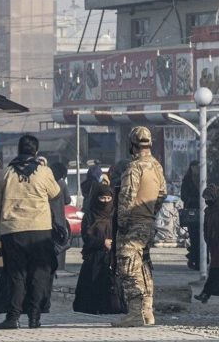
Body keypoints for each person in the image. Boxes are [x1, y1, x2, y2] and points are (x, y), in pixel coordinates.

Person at [0, 135, 61, 330]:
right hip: (40, 231)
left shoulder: (5, 173)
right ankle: (34, 318)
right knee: (39, 274)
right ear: (36, 152)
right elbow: (55, 193)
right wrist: (44, 167)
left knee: (16, 275)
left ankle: (13, 318)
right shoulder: (44, 172)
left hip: (12, 231)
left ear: (18, 150)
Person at [112, 126, 166, 328]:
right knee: (143, 266)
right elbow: (161, 194)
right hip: (148, 223)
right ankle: (147, 312)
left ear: (132, 144)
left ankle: (135, 313)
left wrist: (122, 224)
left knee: (128, 267)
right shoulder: (157, 167)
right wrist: (150, 214)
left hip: (133, 225)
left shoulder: (134, 168)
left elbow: (126, 198)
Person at [73, 184, 125, 314]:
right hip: (94, 258)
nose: (106, 202)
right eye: (102, 198)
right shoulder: (90, 216)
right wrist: (102, 242)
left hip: (112, 257)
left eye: (108, 198)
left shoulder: (115, 216)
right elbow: (86, 236)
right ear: (96, 198)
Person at [181, 160, 200, 270]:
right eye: (195, 167)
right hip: (192, 212)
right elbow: (184, 196)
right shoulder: (187, 179)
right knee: (194, 237)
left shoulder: (203, 179)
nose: (197, 169)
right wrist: (194, 200)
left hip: (204, 211)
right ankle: (194, 259)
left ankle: (202, 260)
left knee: (204, 238)